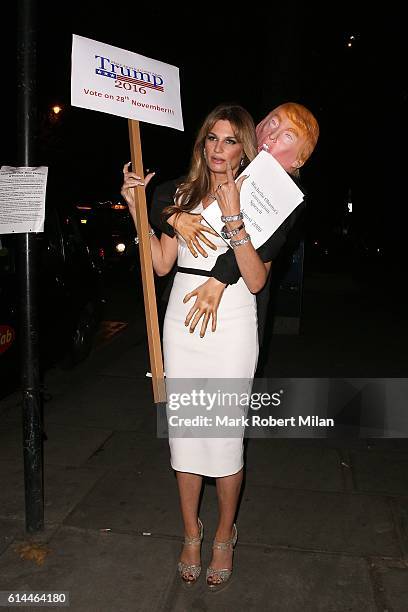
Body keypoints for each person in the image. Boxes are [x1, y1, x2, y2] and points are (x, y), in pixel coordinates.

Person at [121, 103, 274, 592]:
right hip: (180, 324)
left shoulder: (259, 197)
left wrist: (233, 217)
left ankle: (225, 533)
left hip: (231, 322)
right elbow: (162, 264)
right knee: (186, 438)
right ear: (202, 143)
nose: (219, 149)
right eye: (212, 138)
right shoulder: (182, 195)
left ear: (245, 147)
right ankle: (192, 531)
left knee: (225, 440)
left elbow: (254, 279)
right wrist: (137, 210)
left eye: (230, 141)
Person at [150, 102, 320, 346]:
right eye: (273, 123)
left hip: (235, 314)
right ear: (258, 126)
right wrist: (173, 216)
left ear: (300, 160)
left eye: (287, 136)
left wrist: (218, 278)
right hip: (182, 309)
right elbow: (167, 193)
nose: (272, 135)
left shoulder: (282, 197)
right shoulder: (219, 173)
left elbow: (259, 257)